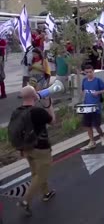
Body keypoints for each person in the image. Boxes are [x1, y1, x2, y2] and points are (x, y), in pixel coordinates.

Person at [15, 86, 56, 216]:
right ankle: (25, 201)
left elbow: (17, 132)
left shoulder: (17, 111)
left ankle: (46, 193)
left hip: (27, 148)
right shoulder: (38, 111)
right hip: (41, 148)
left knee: (35, 173)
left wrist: (20, 149)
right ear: (34, 96)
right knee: (41, 174)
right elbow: (53, 121)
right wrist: (49, 105)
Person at [81, 64, 104, 149]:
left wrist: (98, 92)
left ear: (93, 71)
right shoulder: (84, 81)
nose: (89, 74)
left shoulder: (98, 81)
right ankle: (91, 141)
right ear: (85, 73)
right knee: (88, 125)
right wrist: (83, 94)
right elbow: (83, 90)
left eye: (90, 72)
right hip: (87, 106)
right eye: (87, 72)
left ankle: (102, 136)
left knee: (96, 125)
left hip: (96, 107)